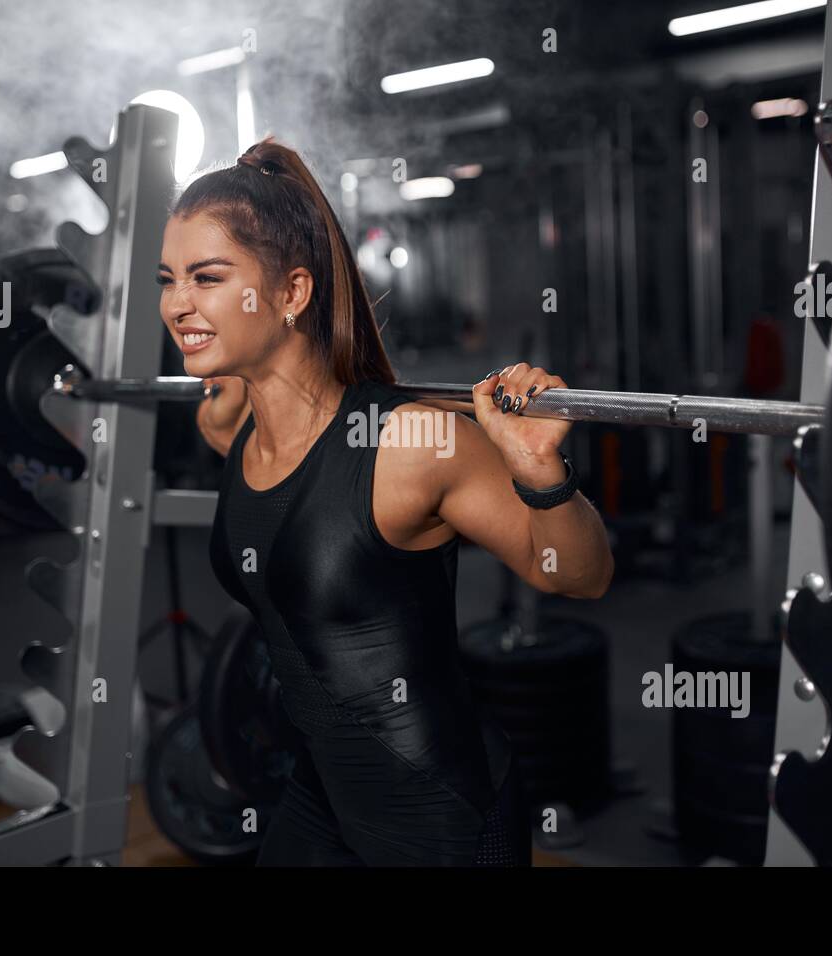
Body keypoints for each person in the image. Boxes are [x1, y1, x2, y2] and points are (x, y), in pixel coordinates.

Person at [157, 136, 614, 866]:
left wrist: (538, 468)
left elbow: (578, 574)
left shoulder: (408, 443)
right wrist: (227, 364)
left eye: (206, 278)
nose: (177, 304)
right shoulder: (242, 429)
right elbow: (222, 421)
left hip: (442, 818)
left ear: (292, 294)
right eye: (168, 279)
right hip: (320, 797)